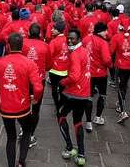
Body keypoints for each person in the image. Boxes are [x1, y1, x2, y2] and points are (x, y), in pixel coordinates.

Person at [0, 33, 43, 167]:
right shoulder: (29, 63)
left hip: (5, 106)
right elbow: (38, 87)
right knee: (27, 130)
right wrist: (34, 98)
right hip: (22, 106)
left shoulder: (0, 61)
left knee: (11, 136)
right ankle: (21, 162)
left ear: (8, 46)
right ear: (22, 46)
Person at [57, 28, 91, 166]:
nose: (69, 40)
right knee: (77, 121)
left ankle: (70, 148)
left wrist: (62, 82)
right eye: (68, 38)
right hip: (84, 94)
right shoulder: (84, 51)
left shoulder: (75, 54)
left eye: (72, 38)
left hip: (73, 94)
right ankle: (81, 154)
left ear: (79, 39)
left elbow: (74, 76)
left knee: (60, 115)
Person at [21, 23, 53, 147]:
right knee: (36, 109)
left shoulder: (22, 43)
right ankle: (30, 134)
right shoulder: (45, 46)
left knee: (23, 106)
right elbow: (49, 66)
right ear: (40, 34)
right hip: (38, 81)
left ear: (28, 32)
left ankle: (23, 129)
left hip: (23, 80)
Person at [82, 22, 113, 132]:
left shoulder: (86, 39)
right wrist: (111, 66)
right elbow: (107, 60)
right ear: (100, 31)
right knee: (102, 95)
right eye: (105, 30)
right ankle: (98, 117)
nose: (107, 33)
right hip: (101, 74)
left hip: (88, 73)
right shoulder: (103, 43)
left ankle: (88, 122)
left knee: (89, 97)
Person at [109, 19, 130, 123]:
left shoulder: (116, 37)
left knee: (120, 87)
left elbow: (110, 51)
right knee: (124, 84)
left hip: (120, 66)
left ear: (120, 27)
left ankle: (123, 111)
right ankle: (120, 103)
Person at [48, 21, 69, 109]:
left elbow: (49, 55)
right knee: (63, 90)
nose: (52, 30)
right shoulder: (68, 40)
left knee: (54, 89)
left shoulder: (53, 42)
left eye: (54, 29)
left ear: (59, 30)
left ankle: (57, 105)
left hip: (54, 70)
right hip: (65, 70)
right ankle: (61, 104)